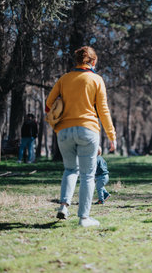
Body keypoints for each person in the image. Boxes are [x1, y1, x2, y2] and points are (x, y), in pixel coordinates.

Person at [46, 46, 116, 227]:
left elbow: (48, 104)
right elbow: (103, 110)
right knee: (87, 175)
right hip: (88, 130)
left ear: (77, 61)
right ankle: (84, 218)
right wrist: (111, 135)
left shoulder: (64, 79)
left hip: (64, 131)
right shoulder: (96, 79)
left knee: (70, 170)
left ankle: (63, 206)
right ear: (93, 61)